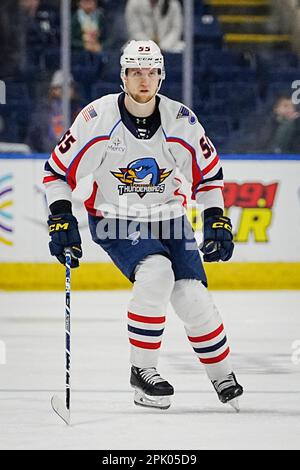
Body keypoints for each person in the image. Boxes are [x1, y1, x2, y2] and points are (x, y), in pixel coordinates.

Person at [43, 40, 243, 411]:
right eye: (135, 71)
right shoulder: (97, 118)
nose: (143, 78)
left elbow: (208, 175)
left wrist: (216, 217)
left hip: (168, 216)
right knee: (156, 272)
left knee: (192, 296)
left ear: (162, 75)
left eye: (151, 71)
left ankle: (222, 374)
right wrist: (60, 217)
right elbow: (56, 172)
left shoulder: (181, 120)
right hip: (112, 215)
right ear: (123, 76)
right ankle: (142, 372)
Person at [27, 70, 83, 153]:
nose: (64, 91)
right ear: (53, 89)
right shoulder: (43, 109)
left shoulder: (79, 110)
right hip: (44, 155)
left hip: (70, 156)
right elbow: (34, 136)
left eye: (69, 87)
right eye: (60, 87)